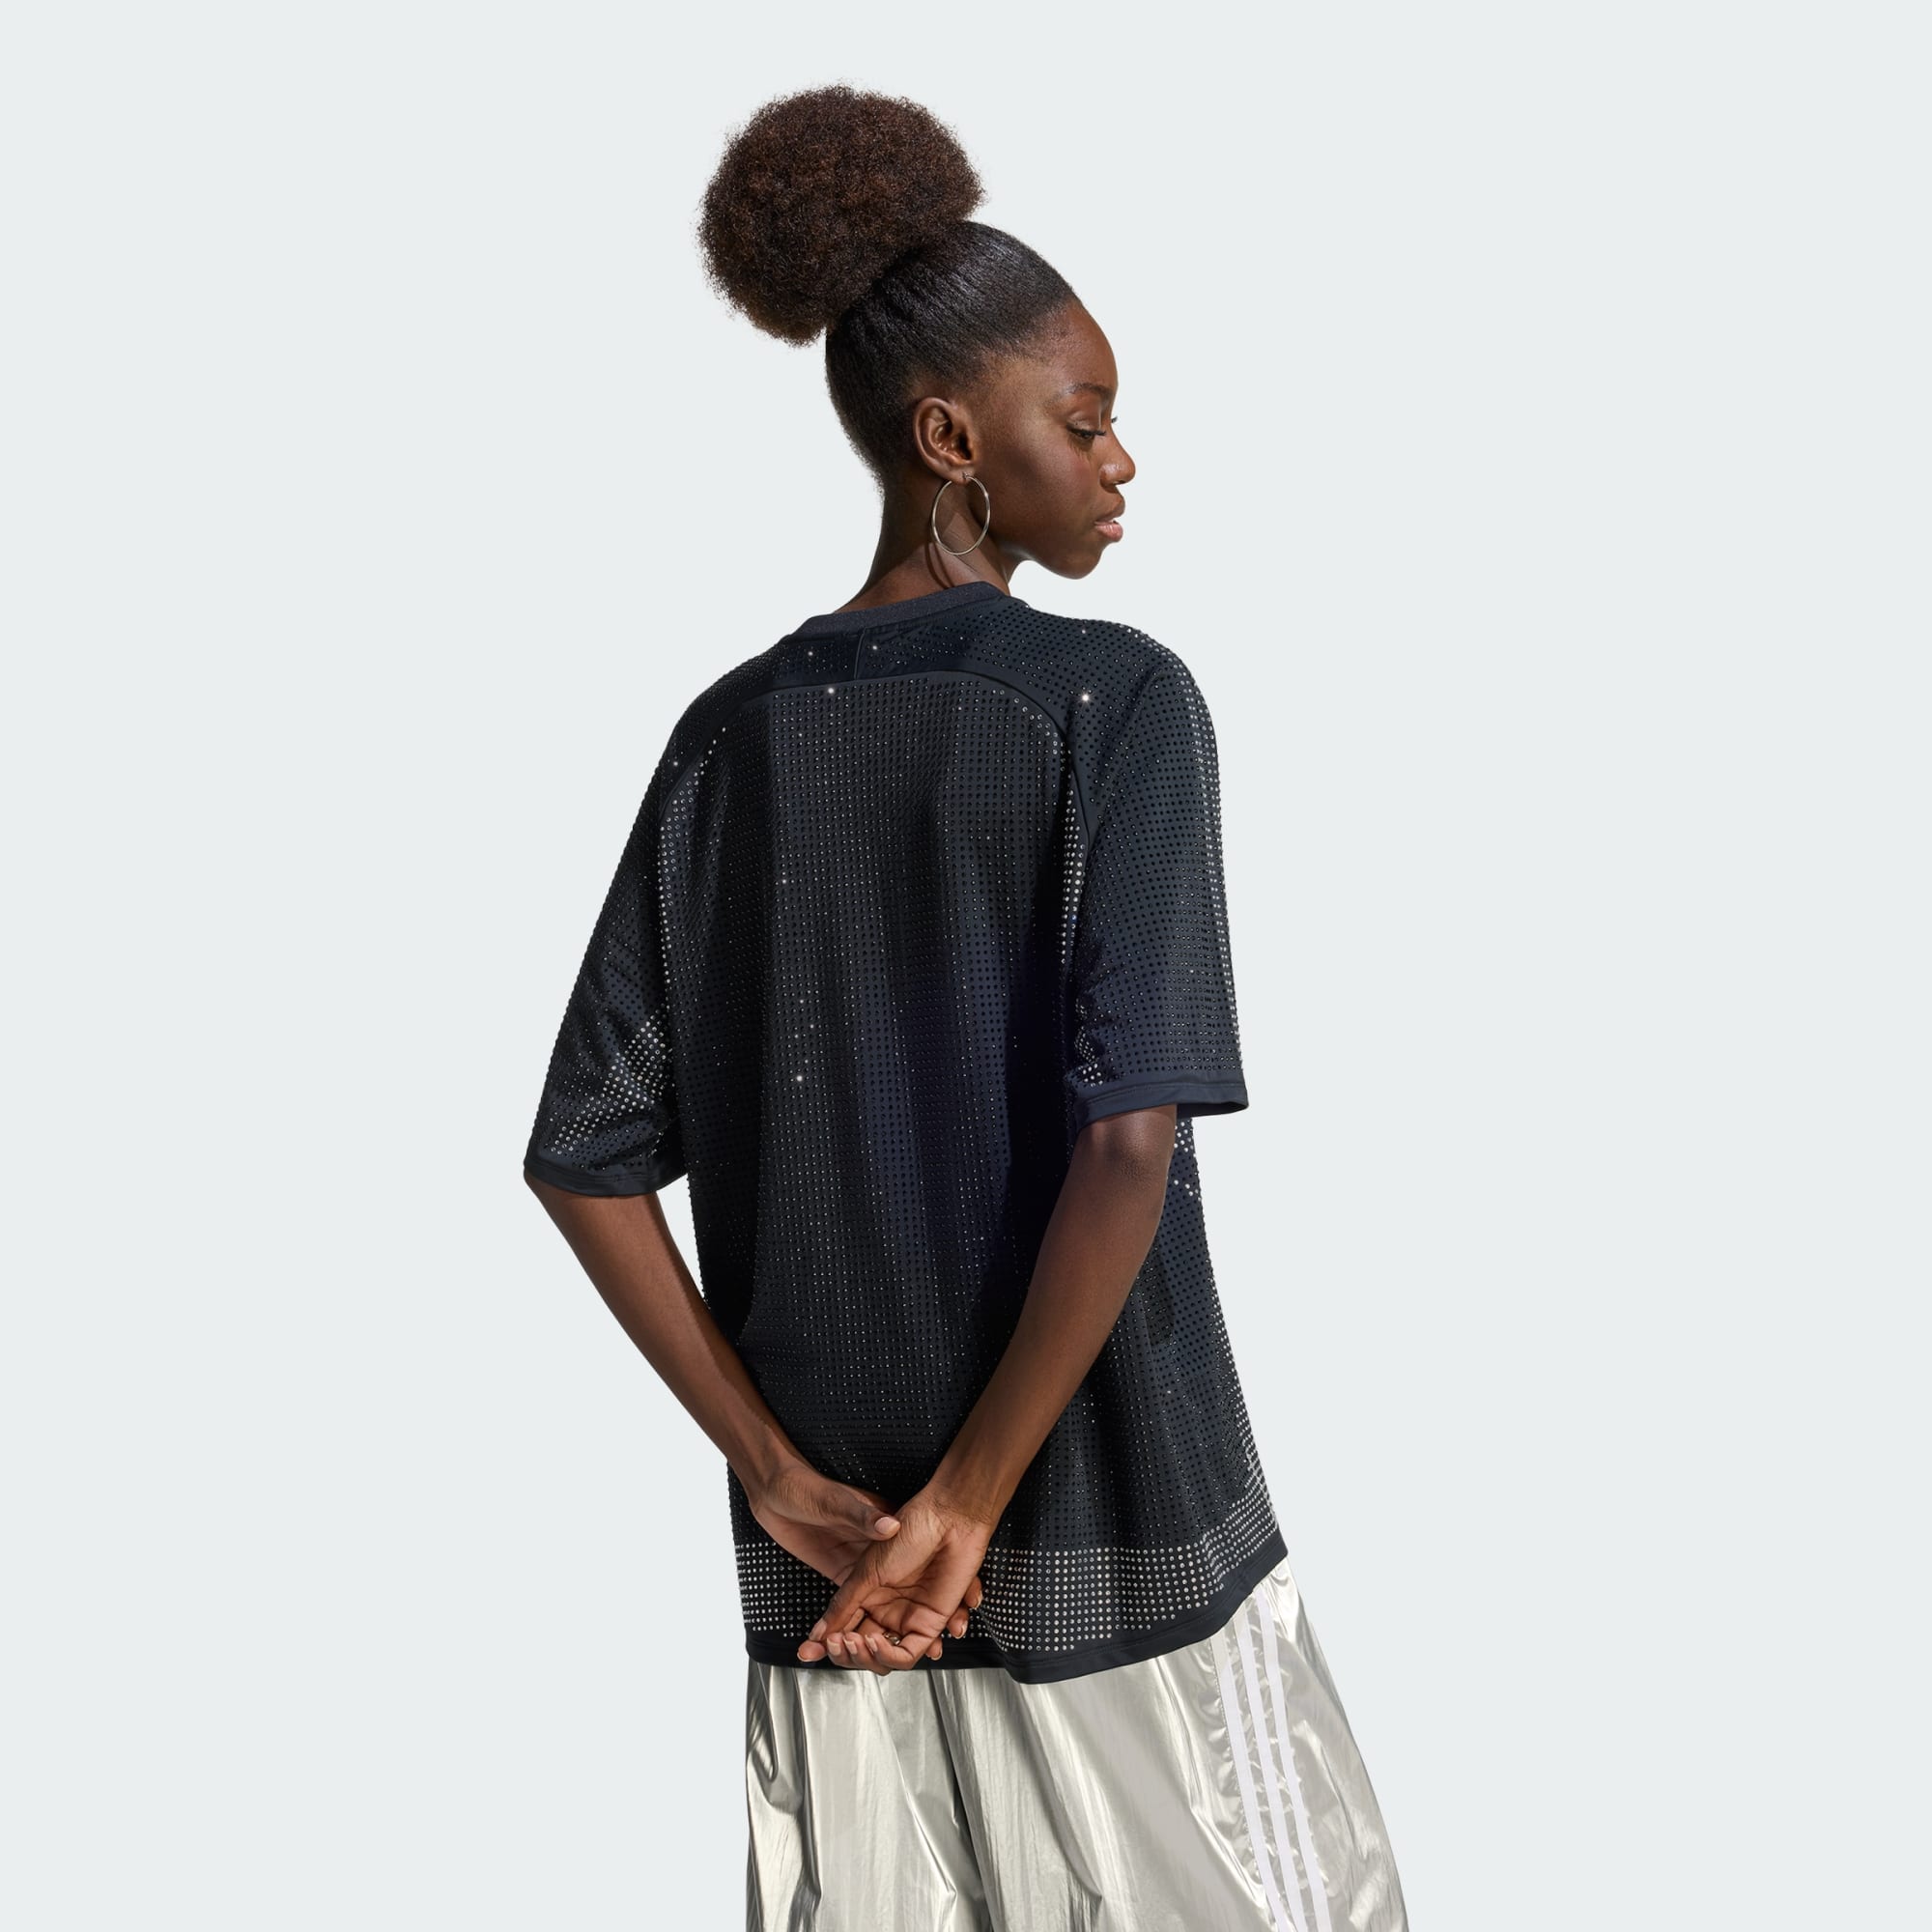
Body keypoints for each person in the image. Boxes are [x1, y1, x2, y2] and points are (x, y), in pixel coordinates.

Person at [522, 83, 1408, 1932]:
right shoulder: (1115, 701)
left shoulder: (729, 738)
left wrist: (779, 1476)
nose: (1122, 461)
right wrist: (973, 1508)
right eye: (1082, 420)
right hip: (1107, 1525)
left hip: (841, 1580)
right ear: (951, 438)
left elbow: (587, 1156)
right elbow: (1128, 1139)